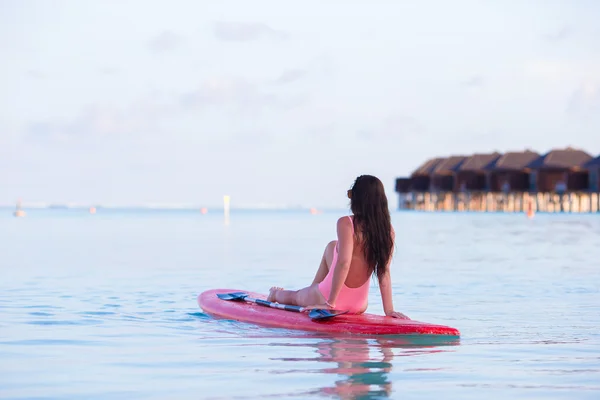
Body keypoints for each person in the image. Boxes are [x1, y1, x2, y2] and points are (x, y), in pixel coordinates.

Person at [267, 175, 409, 319]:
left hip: (330, 299)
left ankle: (275, 293)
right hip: (358, 305)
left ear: (357, 199)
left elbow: (344, 263)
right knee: (332, 246)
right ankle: (313, 290)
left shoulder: (346, 223)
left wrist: (330, 303)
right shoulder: (388, 231)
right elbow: (383, 272)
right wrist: (389, 310)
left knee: (296, 297)